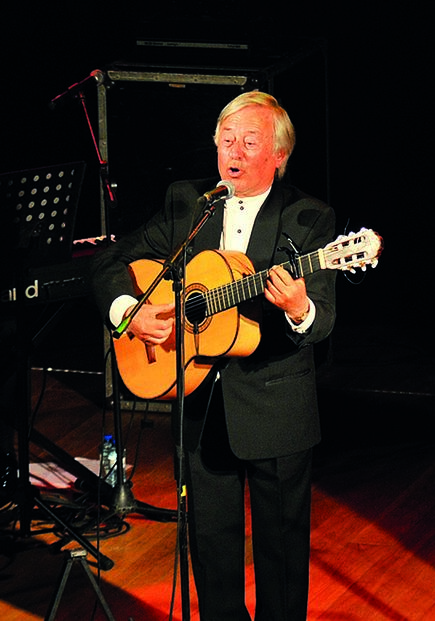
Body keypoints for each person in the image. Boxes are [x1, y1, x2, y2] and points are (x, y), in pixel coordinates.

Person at [89, 91, 336, 620]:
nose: (236, 152)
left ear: (279, 155)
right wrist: (128, 310)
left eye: (250, 143)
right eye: (227, 141)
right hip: (198, 403)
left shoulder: (308, 217)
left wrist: (299, 309)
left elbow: (323, 320)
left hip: (275, 404)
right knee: (211, 550)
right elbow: (113, 258)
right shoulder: (188, 203)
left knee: (282, 552)